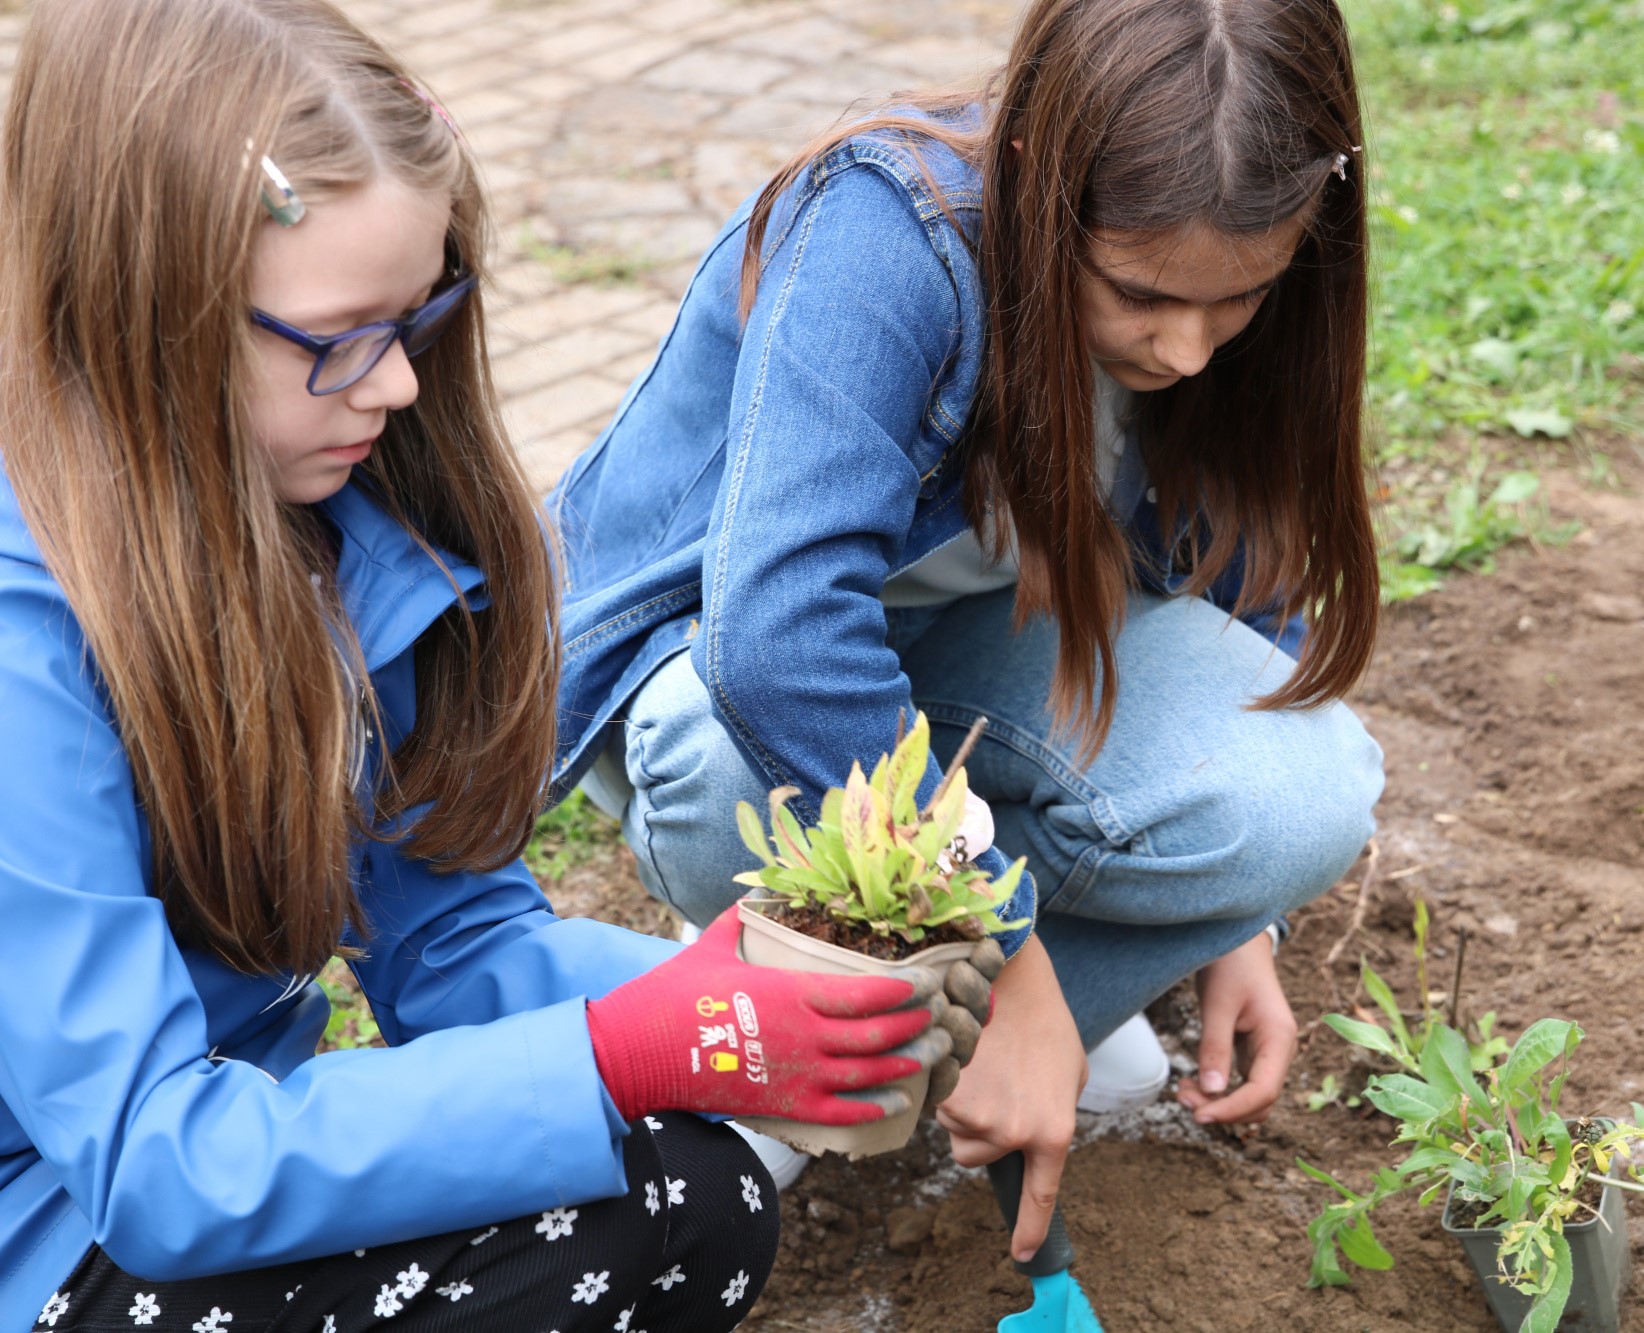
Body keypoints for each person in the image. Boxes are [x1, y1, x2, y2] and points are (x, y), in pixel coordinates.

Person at [0, 2, 968, 1330]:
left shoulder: (329, 527)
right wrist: (629, 1049)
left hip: (211, 1153)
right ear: (145, 316)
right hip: (59, 1227)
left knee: (694, 1200)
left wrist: (726, 1000)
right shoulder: (24, 649)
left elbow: (449, 942)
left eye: (420, 314)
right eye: (340, 338)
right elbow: (156, 1160)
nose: (397, 384)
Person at [552, 0, 1387, 1264]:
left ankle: (871, 1020)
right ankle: (802, 1000)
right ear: (1051, 194)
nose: (1189, 350)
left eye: (1241, 301)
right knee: (737, 775)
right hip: (714, 674)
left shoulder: (1230, 306)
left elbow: (1243, 565)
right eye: (1144, 295)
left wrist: (1239, 928)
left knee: (1301, 791)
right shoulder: (891, 230)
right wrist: (1014, 959)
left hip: (955, 664)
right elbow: (776, 637)